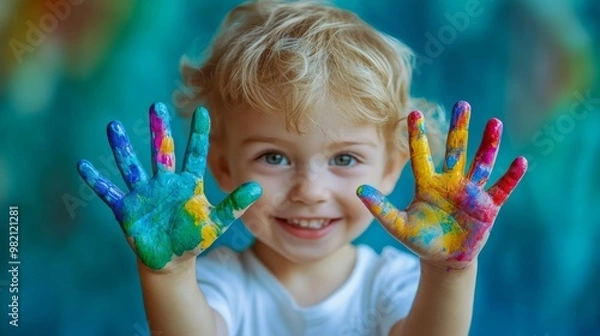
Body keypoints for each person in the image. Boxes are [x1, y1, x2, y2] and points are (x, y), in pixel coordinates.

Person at [77, 0, 528, 335]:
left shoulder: (392, 283)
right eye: (273, 157)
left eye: (344, 158)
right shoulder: (221, 283)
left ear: (393, 168)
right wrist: (169, 275)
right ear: (222, 168)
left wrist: (451, 271)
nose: (309, 190)